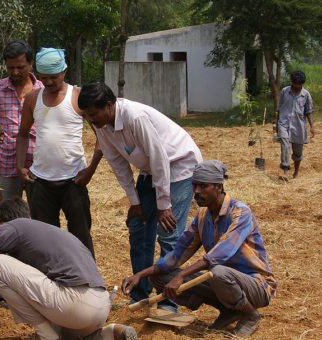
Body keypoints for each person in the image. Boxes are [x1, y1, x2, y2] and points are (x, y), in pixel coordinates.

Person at [77, 81, 202, 310]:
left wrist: (164, 204)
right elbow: (118, 165)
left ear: (109, 106)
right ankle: (140, 293)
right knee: (138, 226)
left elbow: (160, 157)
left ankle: (168, 301)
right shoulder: (102, 127)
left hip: (179, 164)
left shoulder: (134, 117)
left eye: (94, 115)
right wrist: (134, 202)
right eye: (87, 116)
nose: (91, 121)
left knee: (168, 233)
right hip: (151, 170)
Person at [121, 160, 277, 337]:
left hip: (256, 285)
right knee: (159, 275)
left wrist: (181, 276)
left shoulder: (240, 213)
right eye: (194, 186)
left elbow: (219, 254)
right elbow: (178, 253)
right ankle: (230, 310)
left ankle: (250, 315)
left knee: (217, 272)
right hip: (222, 282)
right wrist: (140, 275)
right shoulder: (202, 216)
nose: (196, 191)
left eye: (203, 186)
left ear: (218, 187)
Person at [0, 198, 138, 340]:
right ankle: (110, 332)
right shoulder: (53, 233)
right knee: (69, 335)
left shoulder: (8, 228)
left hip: (73, 304)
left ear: (0, 224)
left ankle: (46, 336)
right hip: (100, 307)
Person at [16, 47, 99, 255]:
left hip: (73, 181)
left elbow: (103, 138)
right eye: (44, 78)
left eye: (54, 77)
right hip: (41, 182)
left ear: (64, 71)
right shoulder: (33, 98)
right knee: (46, 241)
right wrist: (21, 167)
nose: (49, 82)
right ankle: (51, 285)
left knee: (81, 238)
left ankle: (88, 284)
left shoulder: (78, 97)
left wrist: (89, 171)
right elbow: (23, 134)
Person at [0, 40, 43, 199]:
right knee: (7, 210)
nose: (15, 72)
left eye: (20, 67)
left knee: (39, 213)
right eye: (11, 68)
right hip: (8, 163)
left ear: (30, 63)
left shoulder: (43, 90)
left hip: (39, 162)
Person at [277, 70, 314, 179]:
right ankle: (285, 172)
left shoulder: (306, 95)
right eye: (295, 83)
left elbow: (308, 111)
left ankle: (296, 171)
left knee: (297, 152)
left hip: (298, 126)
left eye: (299, 84)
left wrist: (312, 126)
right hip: (283, 124)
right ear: (292, 82)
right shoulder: (285, 91)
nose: (297, 86)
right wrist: (276, 124)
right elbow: (279, 108)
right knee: (285, 145)